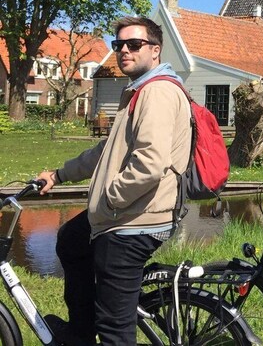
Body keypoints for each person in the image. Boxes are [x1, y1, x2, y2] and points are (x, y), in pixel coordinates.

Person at [37, 17, 191, 346]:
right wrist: (59, 175)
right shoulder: (138, 91)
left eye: (133, 44)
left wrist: (108, 202)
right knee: (70, 239)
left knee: (115, 332)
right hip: (126, 214)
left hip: (133, 222)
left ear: (154, 50)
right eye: (118, 44)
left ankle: (95, 328)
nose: (123, 50)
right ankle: (80, 332)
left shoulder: (157, 92)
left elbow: (149, 165)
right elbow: (104, 152)